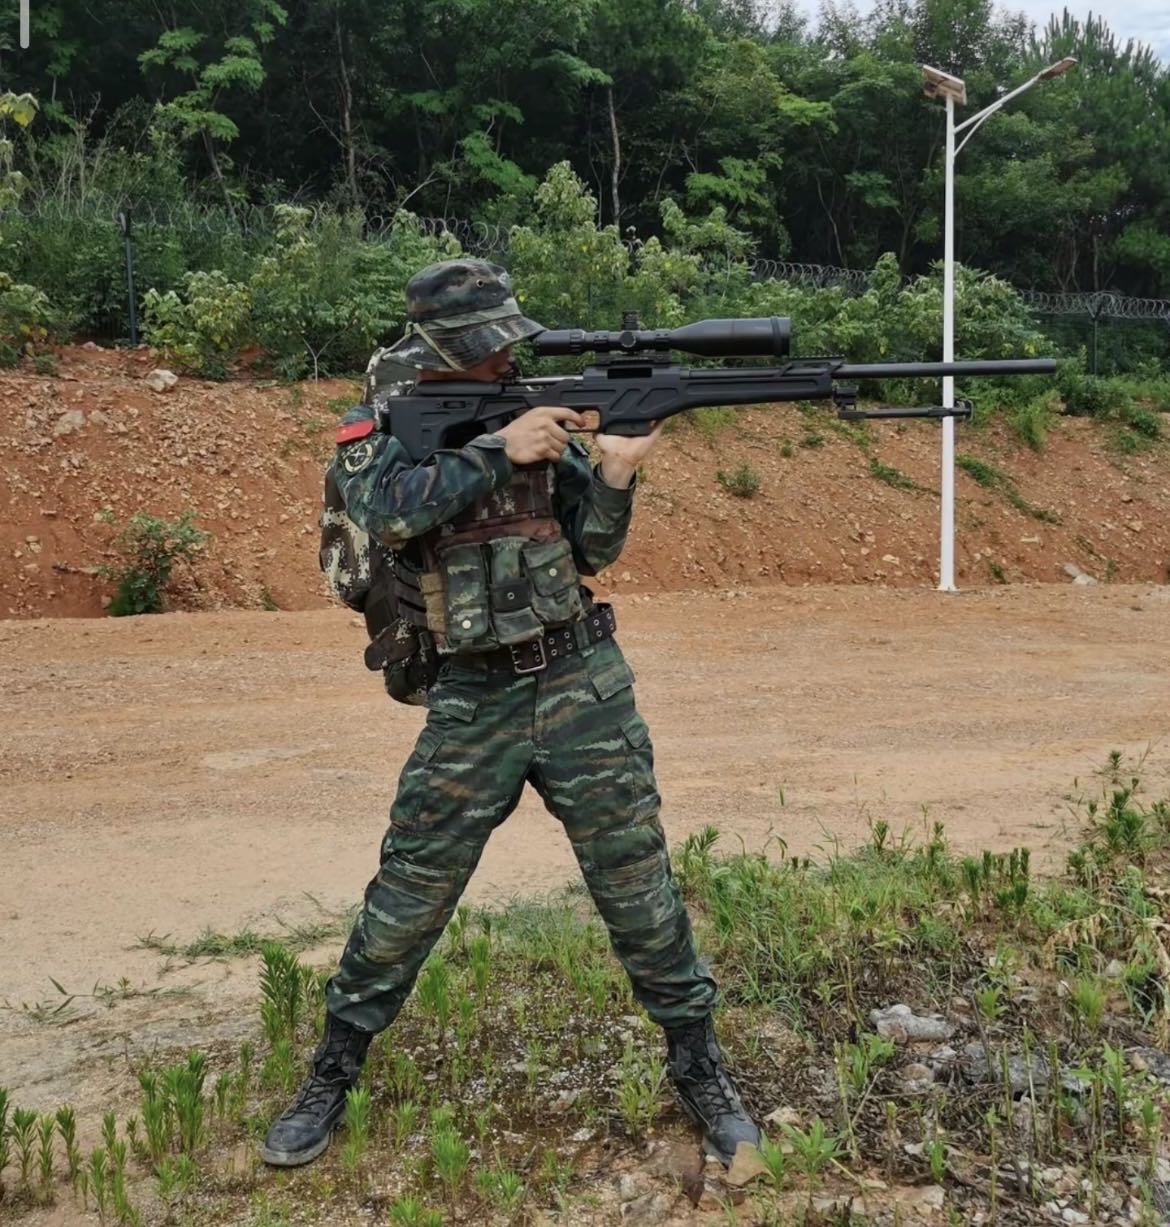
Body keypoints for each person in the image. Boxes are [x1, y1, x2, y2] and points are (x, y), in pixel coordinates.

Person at [261, 258, 761, 1169]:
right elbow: (382, 510)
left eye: (503, 347)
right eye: (483, 349)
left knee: (638, 885)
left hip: (580, 681)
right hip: (473, 695)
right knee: (410, 890)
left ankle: (699, 1065)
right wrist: (497, 450)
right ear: (436, 347)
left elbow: (590, 549)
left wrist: (615, 474)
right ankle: (333, 1070)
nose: (502, 362)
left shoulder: (537, 414)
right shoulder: (387, 422)